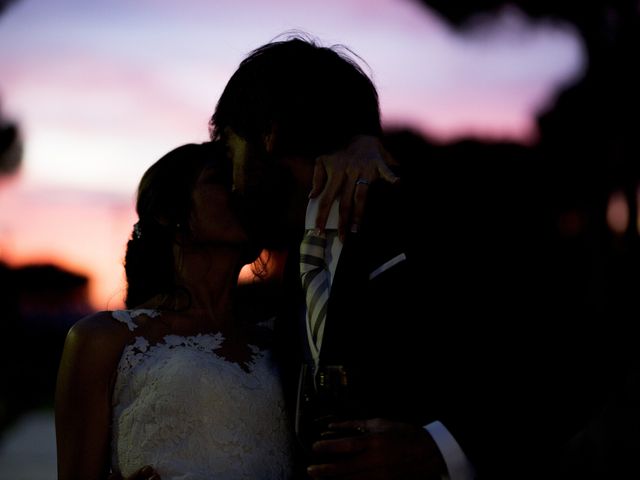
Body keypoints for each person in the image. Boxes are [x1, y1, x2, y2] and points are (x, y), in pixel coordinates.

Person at [210, 34, 467, 480]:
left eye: (229, 147)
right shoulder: (297, 268)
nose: (231, 183)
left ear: (268, 135)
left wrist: (438, 448)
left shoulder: (438, 213)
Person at [54, 141, 294, 480]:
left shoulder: (282, 335)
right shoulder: (102, 339)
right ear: (169, 213)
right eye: (219, 180)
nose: (241, 189)